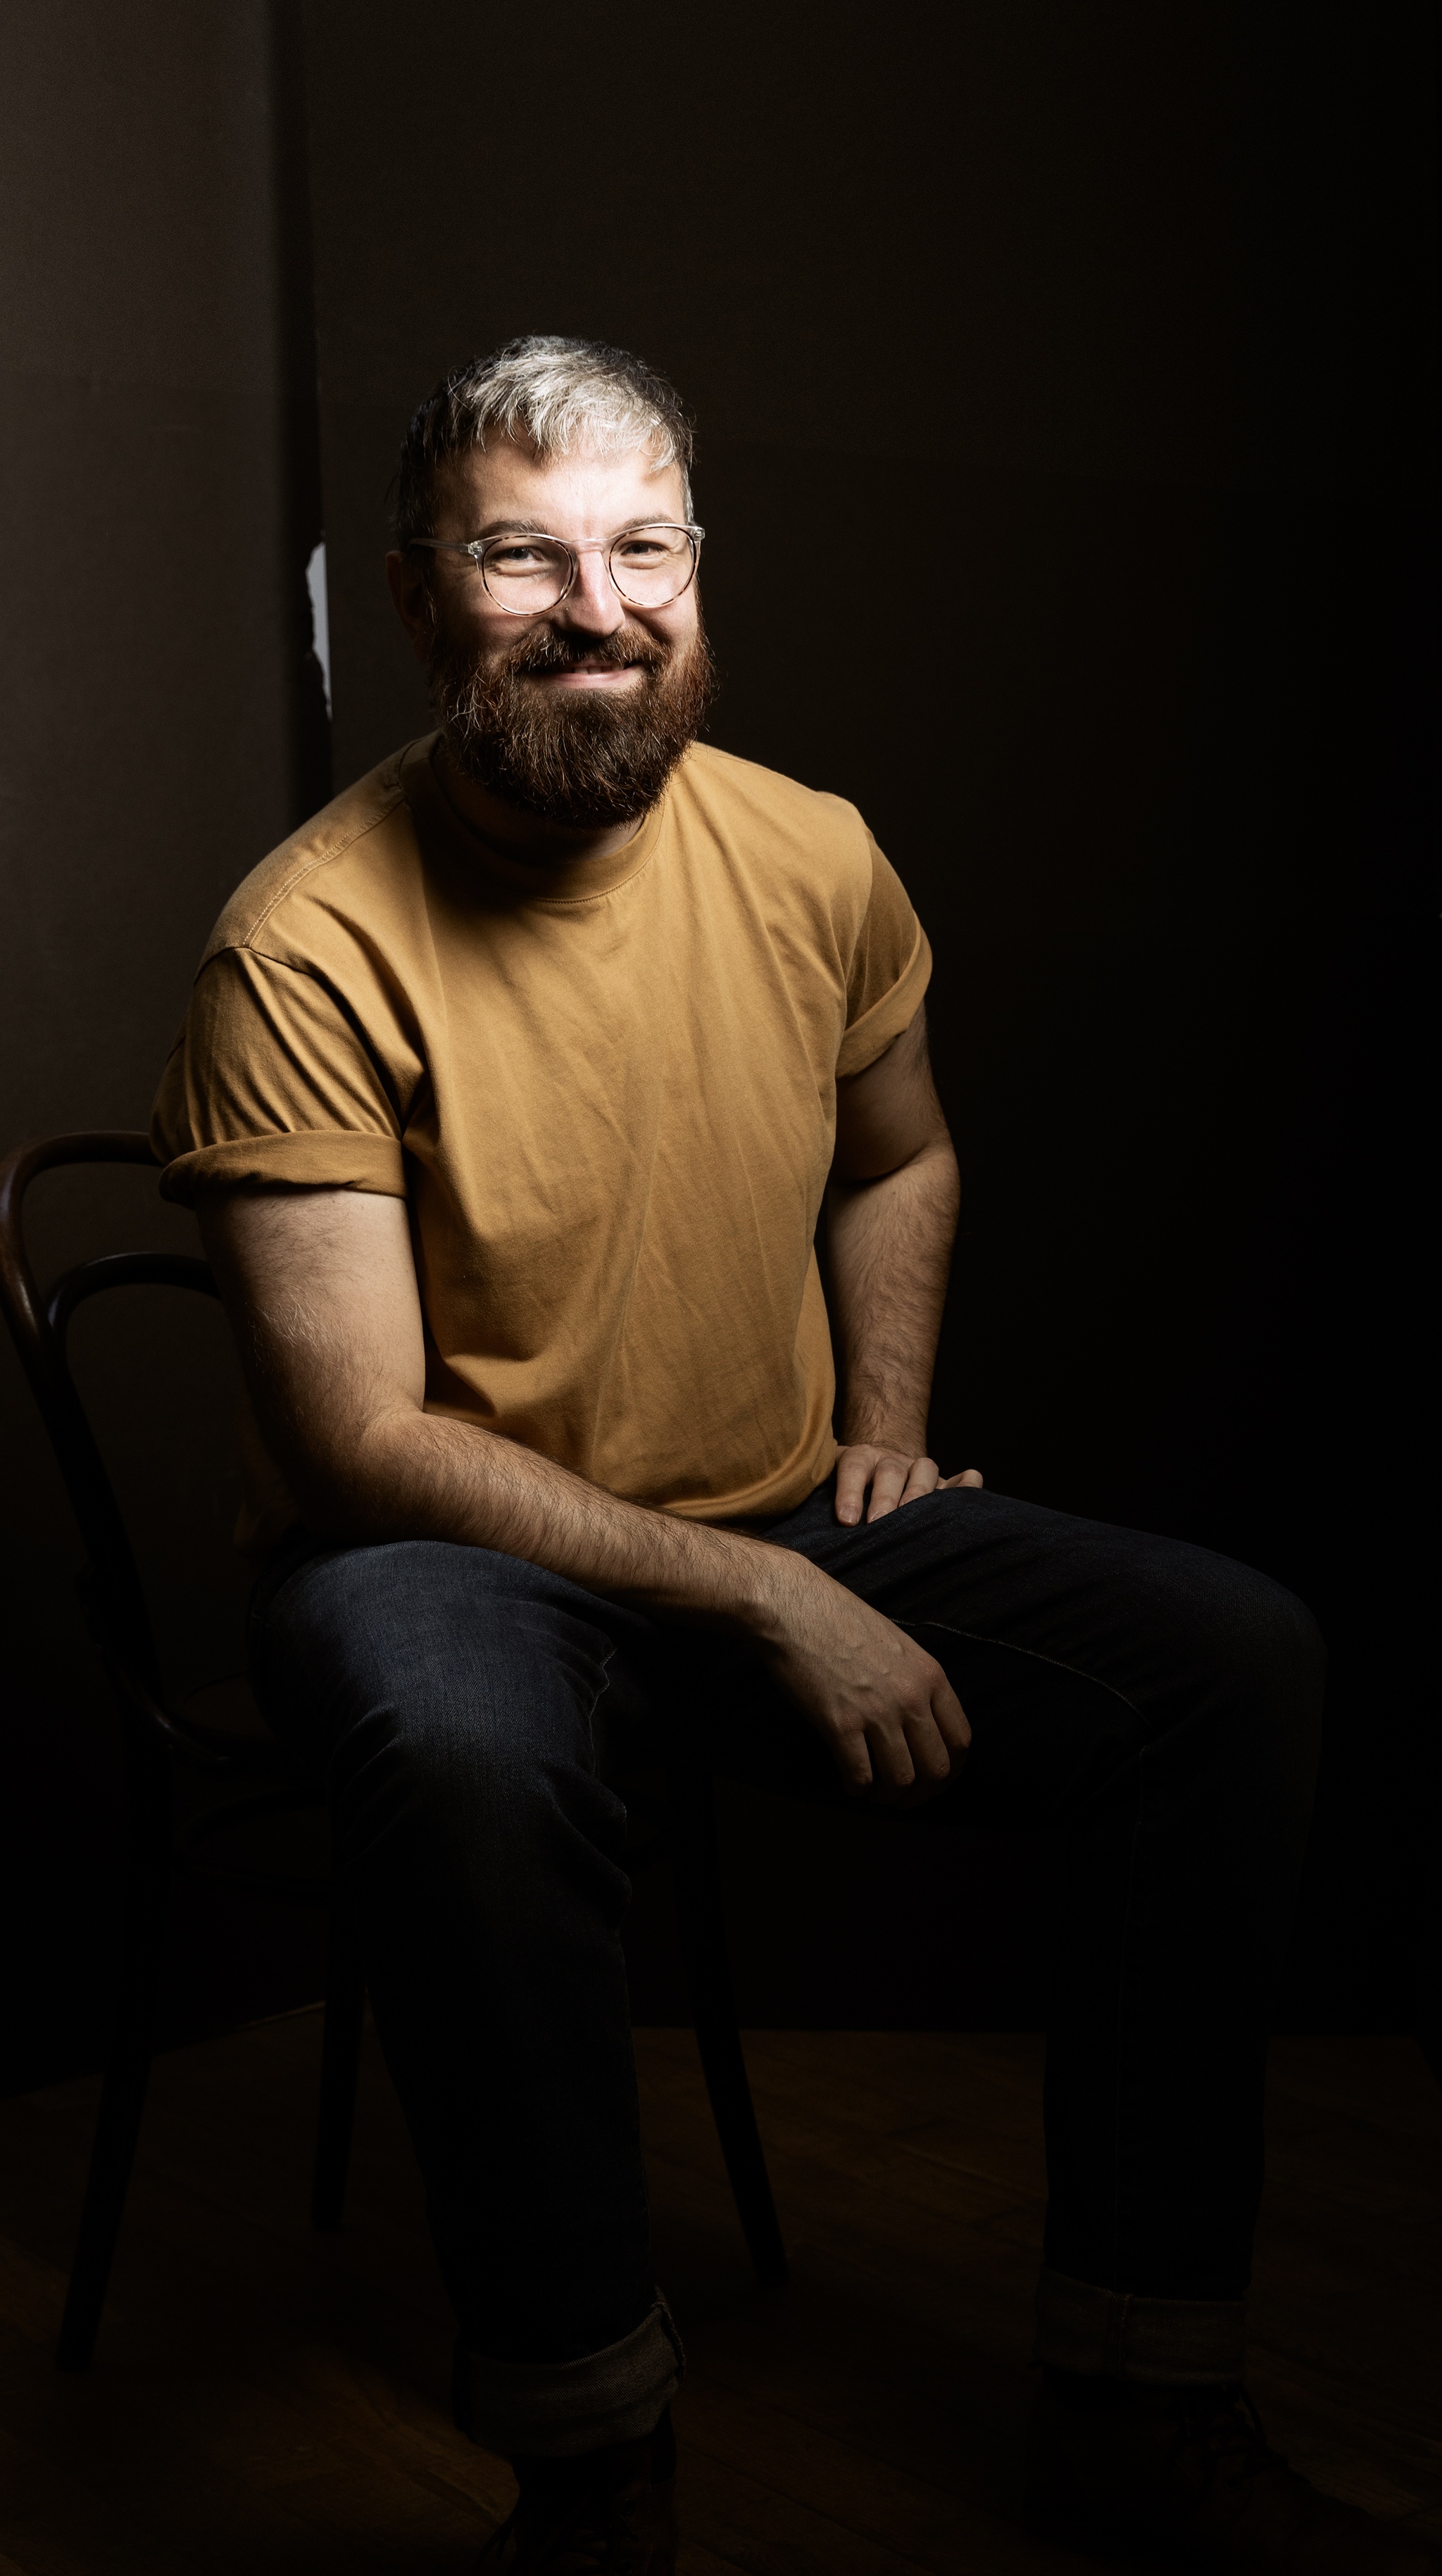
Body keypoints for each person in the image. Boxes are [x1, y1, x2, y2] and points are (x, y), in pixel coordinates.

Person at [151, 336, 1433, 2575]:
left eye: (643, 546)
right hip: (446, 1544)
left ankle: (1145, 2389)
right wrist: (763, 1591)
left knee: (1235, 1662)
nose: (595, 604)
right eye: (518, 553)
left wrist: (888, 1438)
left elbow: (903, 1158)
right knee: (457, 1750)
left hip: (770, 1500)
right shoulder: (306, 936)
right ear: (413, 592)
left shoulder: (816, 852)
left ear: (699, 573)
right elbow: (356, 1434)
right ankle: (594, 2461)